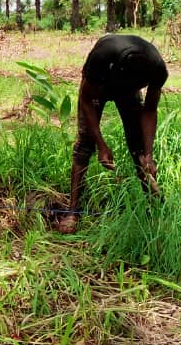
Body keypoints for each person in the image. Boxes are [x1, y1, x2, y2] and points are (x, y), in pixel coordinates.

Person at [59, 34, 168, 233]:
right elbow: (86, 100)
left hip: (126, 89)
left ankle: (154, 209)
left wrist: (149, 155)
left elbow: (150, 110)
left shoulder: (158, 68)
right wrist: (101, 144)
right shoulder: (102, 56)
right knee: (85, 144)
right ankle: (72, 212)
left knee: (139, 148)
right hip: (98, 86)